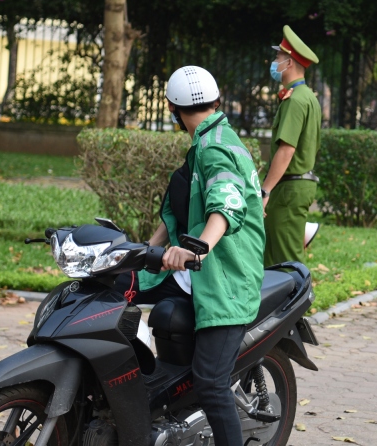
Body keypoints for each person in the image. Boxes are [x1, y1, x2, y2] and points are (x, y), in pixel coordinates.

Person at [136, 65, 265, 446]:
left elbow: (225, 204)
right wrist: (142, 252)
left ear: (173, 110)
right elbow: (178, 211)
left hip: (225, 278)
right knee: (114, 293)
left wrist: (200, 247)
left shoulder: (216, 148)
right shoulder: (205, 141)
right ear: (216, 102)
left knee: (210, 382)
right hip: (194, 270)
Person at [260, 25, 322, 267]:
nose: (274, 62)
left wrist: (264, 191)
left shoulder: (296, 100)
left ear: (290, 62)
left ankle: (298, 304)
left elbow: (287, 150)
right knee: (276, 256)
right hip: (295, 185)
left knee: (286, 262)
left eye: (278, 57)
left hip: (289, 188)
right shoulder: (307, 97)